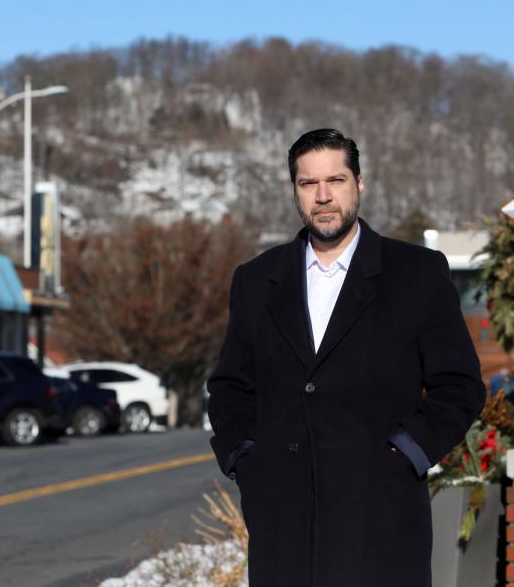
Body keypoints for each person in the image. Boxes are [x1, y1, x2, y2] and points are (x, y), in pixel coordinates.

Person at [207, 128, 485, 586]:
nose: (322, 196)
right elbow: (230, 387)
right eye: (307, 183)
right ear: (294, 190)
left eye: (335, 180)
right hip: (284, 524)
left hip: (382, 521)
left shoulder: (416, 273)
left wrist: (407, 454)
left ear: (360, 183)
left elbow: (459, 386)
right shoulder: (256, 280)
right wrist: (246, 459)